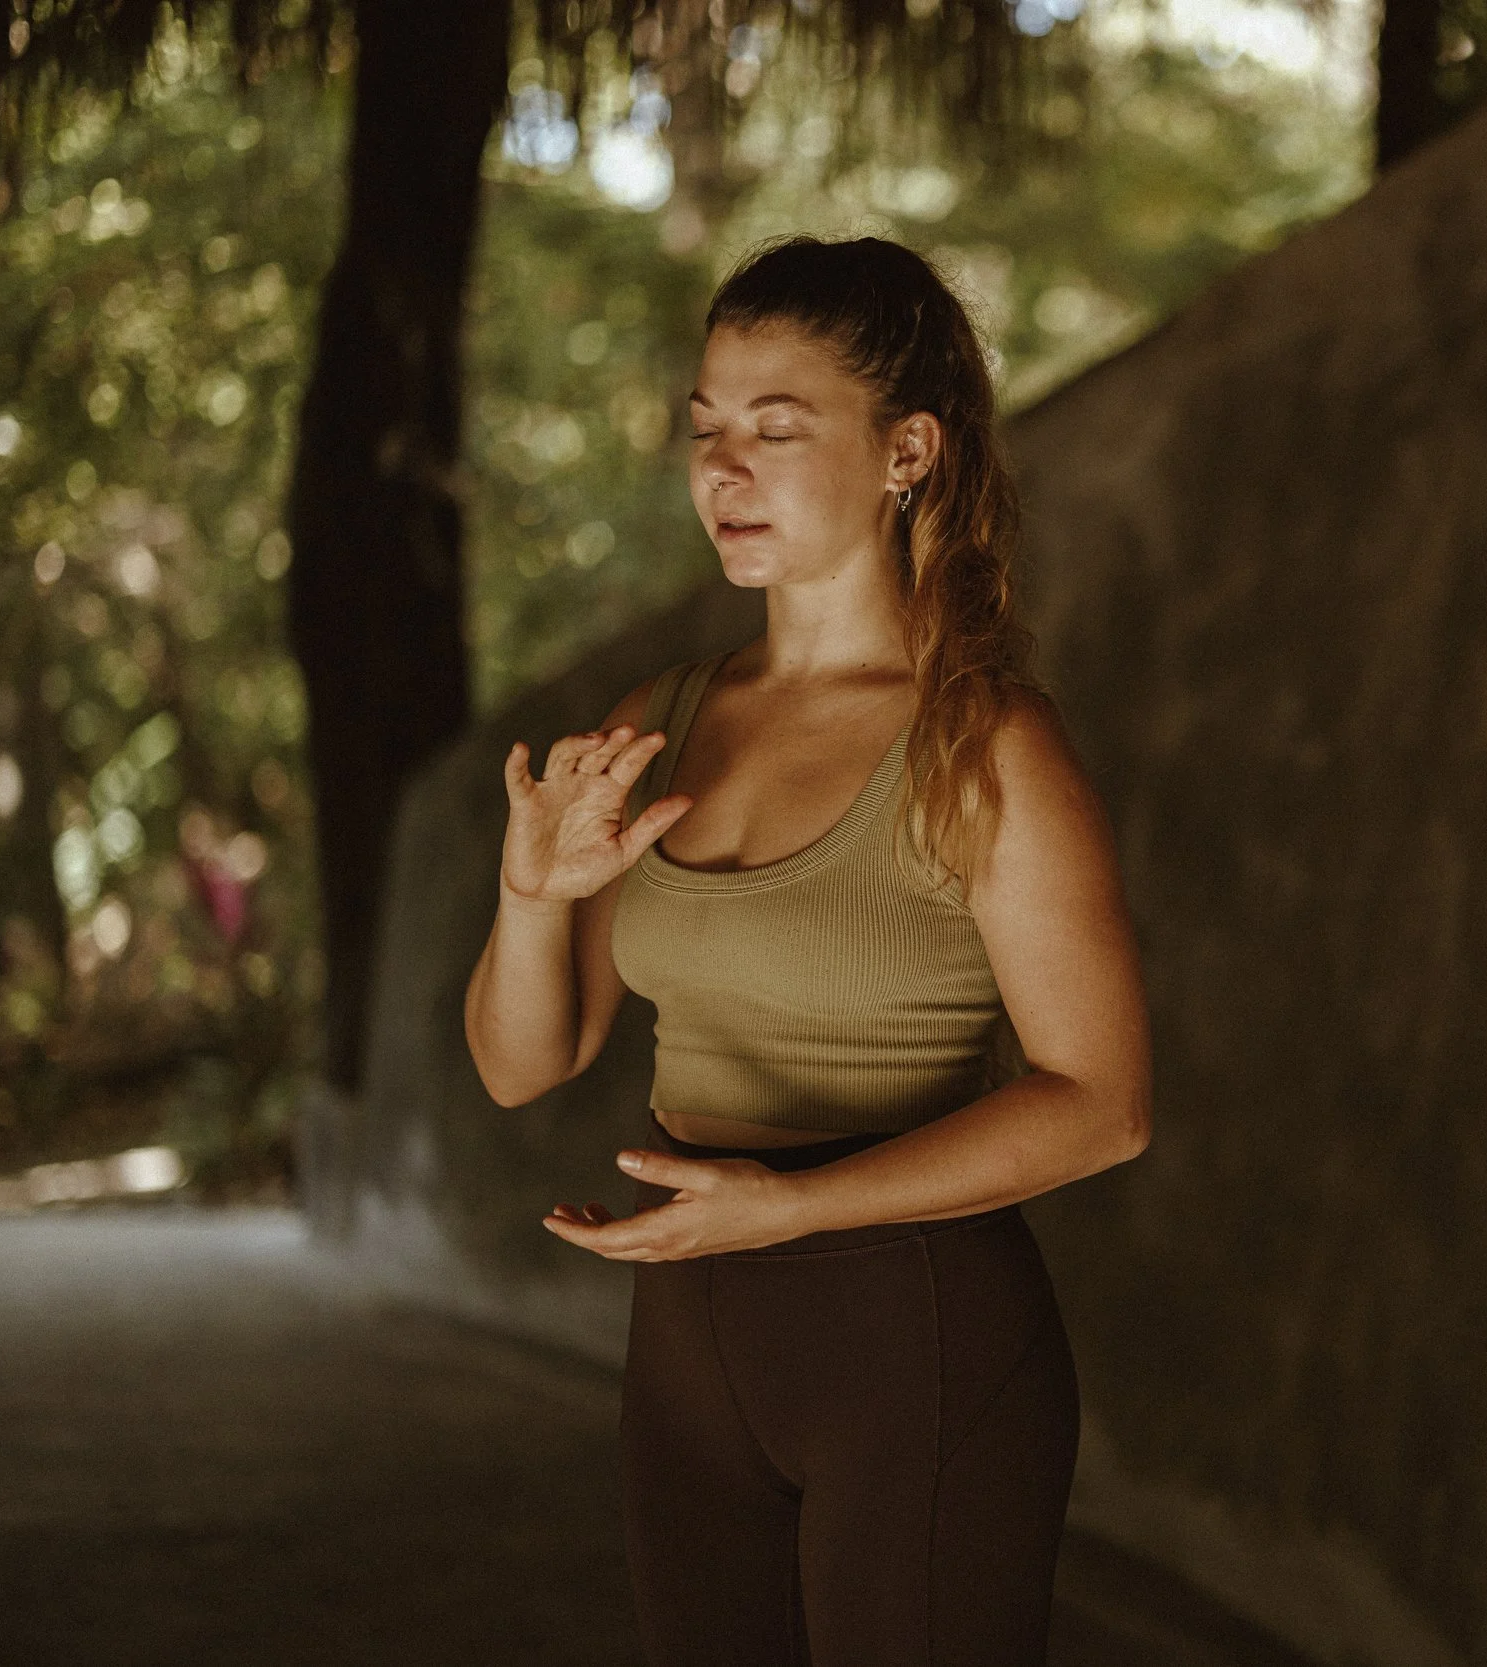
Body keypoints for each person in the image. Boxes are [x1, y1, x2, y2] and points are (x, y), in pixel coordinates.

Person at [461, 234, 1152, 1667]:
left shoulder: (987, 745)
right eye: (707, 427)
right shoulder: (667, 713)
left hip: (917, 1347)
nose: (725, 469)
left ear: (908, 452)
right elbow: (525, 1067)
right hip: (688, 1350)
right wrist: (533, 894)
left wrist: (788, 1209)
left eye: (777, 430)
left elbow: (1103, 1102)